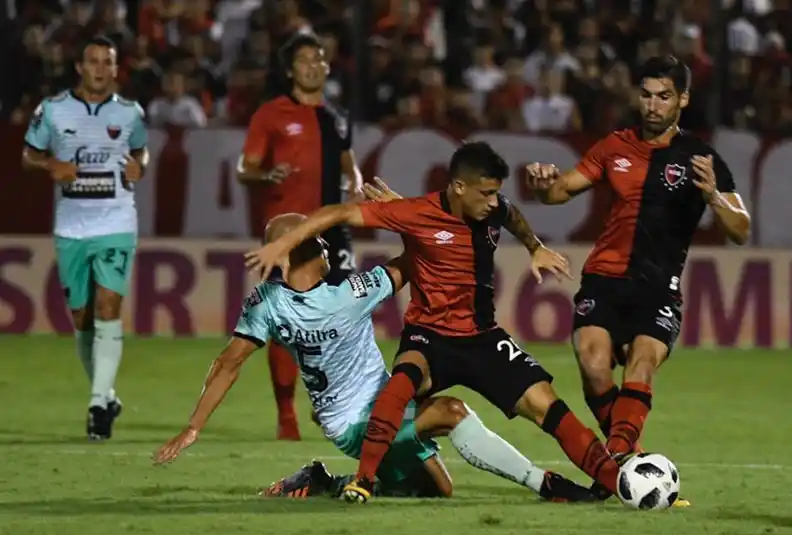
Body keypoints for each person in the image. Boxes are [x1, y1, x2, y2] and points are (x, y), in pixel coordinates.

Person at [245, 142, 626, 505]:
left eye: (496, 193)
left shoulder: (494, 208)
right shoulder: (415, 213)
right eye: (486, 193)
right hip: (429, 338)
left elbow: (512, 215)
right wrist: (284, 244)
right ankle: (363, 480)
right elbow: (338, 213)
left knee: (548, 406)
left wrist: (534, 246)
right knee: (402, 383)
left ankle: (619, 486)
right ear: (459, 187)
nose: (494, 202)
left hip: (483, 338)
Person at [154, 214, 594, 504]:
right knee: (452, 411)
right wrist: (413, 219)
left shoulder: (283, 300)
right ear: (299, 250)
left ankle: (326, 482)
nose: (328, 245)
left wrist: (194, 426)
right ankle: (545, 483)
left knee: (438, 490)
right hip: (353, 425)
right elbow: (412, 261)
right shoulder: (338, 295)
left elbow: (228, 362)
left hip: (384, 402)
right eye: (318, 240)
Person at [526, 55, 751, 504]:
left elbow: (741, 230)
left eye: (664, 96)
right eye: (646, 95)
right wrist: (541, 183)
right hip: (605, 278)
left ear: (682, 99)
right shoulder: (614, 146)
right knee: (592, 366)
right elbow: (560, 191)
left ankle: (617, 462)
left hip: (658, 287)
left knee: (641, 363)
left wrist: (713, 198)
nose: (652, 105)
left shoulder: (700, 158)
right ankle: (632, 463)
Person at [237, 33, 364, 441]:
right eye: (304, 59)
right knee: (286, 320)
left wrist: (356, 183)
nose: (312, 65)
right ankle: (287, 413)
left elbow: (348, 161)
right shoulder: (271, 114)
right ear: (291, 69)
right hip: (286, 230)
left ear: (327, 67)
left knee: (344, 316)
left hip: (332, 228)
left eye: (319, 58)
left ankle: (331, 401)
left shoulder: (337, 116)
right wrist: (264, 175)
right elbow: (245, 168)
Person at [21, 36, 149, 440]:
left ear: (115, 69)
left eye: (106, 62)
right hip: (71, 226)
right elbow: (28, 155)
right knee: (81, 318)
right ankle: (106, 393)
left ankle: (96, 407)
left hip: (116, 223)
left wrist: (138, 167)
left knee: (109, 306)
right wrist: (50, 165)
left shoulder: (130, 113)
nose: (99, 68)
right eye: (92, 61)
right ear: (80, 67)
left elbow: (141, 152)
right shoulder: (54, 111)